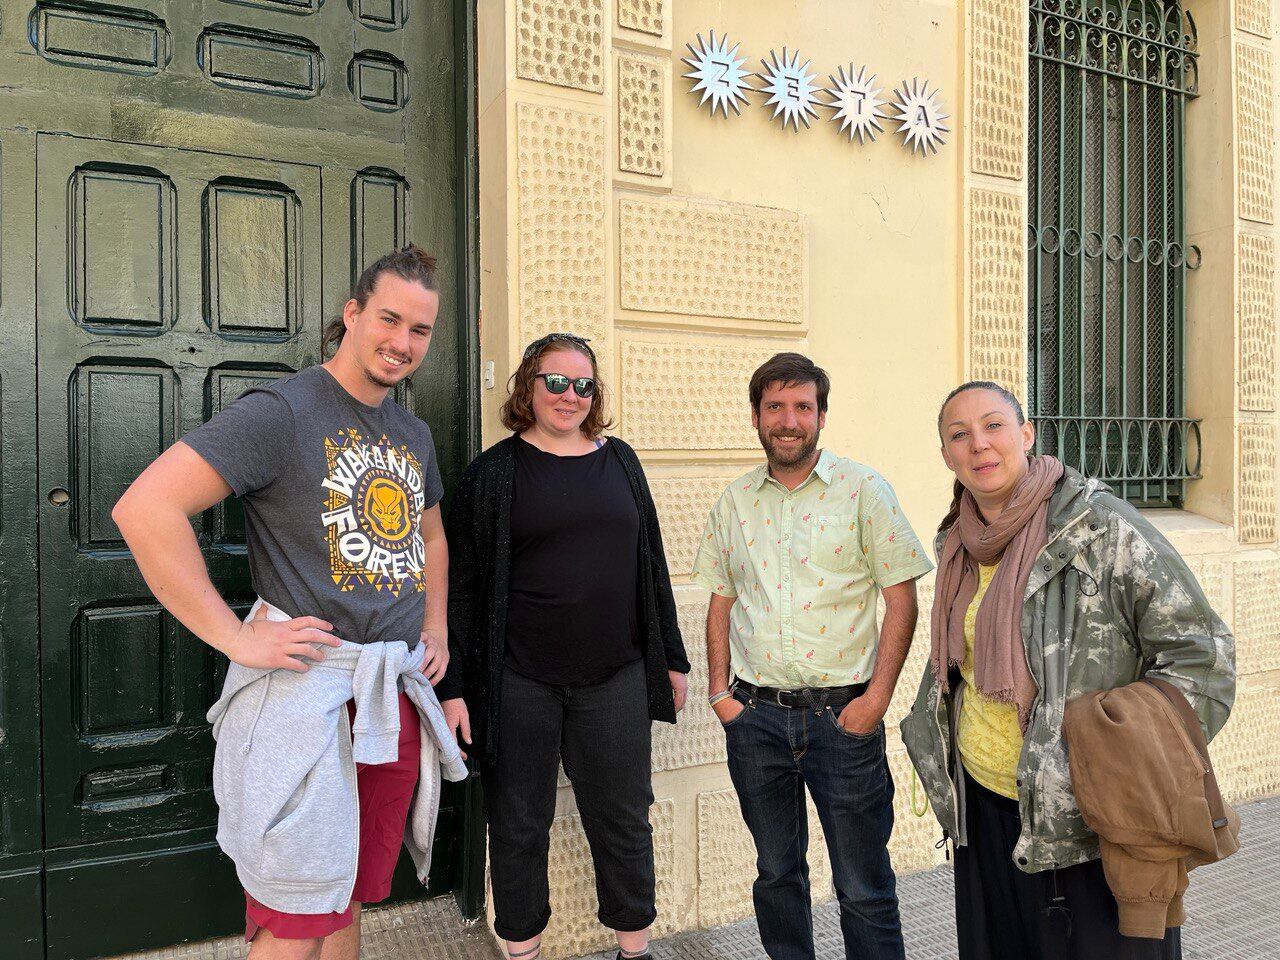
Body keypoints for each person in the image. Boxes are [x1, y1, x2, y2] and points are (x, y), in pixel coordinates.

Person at [112, 245, 461, 960]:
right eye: (388, 319)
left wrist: (437, 626)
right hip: (308, 701)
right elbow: (146, 509)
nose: (401, 342)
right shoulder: (283, 411)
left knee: (350, 896)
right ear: (353, 314)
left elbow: (431, 534)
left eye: (419, 330)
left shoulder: (412, 434)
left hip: (387, 695)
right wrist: (236, 640)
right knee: (294, 918)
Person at [900, 380, 1236, 960]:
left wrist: (1115, 750)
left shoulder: (1101, 528)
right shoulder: (958, 538)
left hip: (1092, 826)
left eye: (994, 426)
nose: (978, 443)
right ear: (946, 455)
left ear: (1026, 435)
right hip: (985, 813)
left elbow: (1203, 659)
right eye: (960, 434)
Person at [439, 333, 690, 960]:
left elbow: (649, 563)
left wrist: (672, 657)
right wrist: (455, 686)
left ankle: (635, 948)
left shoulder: (622, 462)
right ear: (528, 385)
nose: (569, 396)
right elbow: (459, 590)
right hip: (519, 681)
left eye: (583, 385)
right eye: (555, 381)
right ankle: (522, 949)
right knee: (519, 823)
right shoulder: (492, 474)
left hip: (617, 676)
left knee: (624, 818)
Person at [693, 352, 933, 960]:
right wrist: (721, 695)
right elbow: (721, 602)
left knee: (864, 886)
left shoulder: (864, 491)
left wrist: (875, 700)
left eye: (803, 406)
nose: (789, 420)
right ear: (755, 417)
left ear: (822, 416)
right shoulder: (734, 502)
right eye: (775, 406)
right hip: (757, 722)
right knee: (776, 874)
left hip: (843, 721)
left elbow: (900, 600)